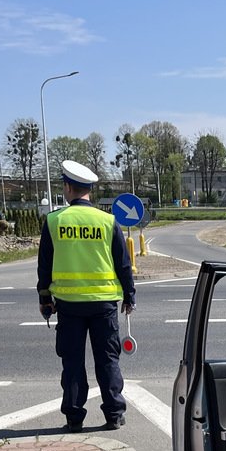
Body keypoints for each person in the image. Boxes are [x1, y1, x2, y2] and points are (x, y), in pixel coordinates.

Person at [37, 160, 135, 432]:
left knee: (72, 364)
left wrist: (45, 299)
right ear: (90, 189)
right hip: (104, 305)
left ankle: (74, 417)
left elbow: (44, 266)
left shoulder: (54, 221)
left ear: (68, 187)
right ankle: (114, 414)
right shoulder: (107, 221)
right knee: (107, 361)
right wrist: (129, 295)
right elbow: (123, 263)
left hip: (69, 306)